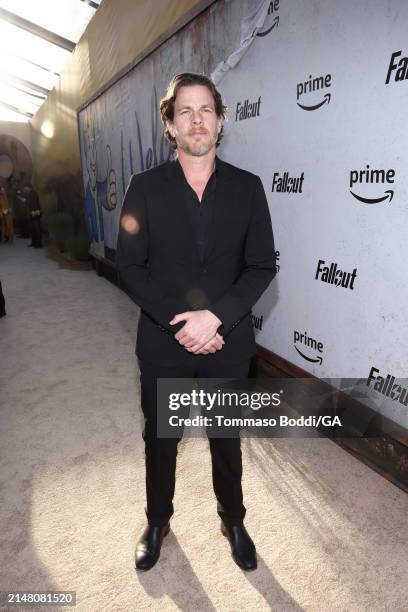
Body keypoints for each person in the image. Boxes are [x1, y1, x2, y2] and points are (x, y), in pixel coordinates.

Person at [116, 72, 276, 572]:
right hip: (165, 341)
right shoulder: (144, 188)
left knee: (226, 437)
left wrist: (216, 319)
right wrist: (181, 322)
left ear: (222, 119)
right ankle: (157, 520)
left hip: (227, 342)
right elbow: (130, 265)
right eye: (184, 111)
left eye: (205, 109)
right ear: (170, 125)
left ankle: (233, 520)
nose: (196, 119)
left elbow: (261, 266)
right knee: (161, 439)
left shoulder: (248, 188)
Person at [23, 183, 43, 248]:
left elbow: (34, 204)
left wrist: (33, 213)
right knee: (32, 229)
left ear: (28, 187)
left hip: (35, 213)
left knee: (36, 228)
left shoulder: (33, 193)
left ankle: (39, 243)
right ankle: (34, 242)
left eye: (25, 188)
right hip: (32, 213)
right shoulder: (29, 194)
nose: (24, 189)